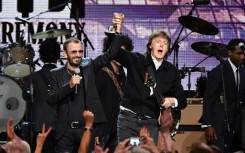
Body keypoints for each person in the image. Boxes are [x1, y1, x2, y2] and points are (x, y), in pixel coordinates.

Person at [47, 13, 124, 153]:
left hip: (86, 129)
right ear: (65, 54)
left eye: (80, 51)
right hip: (65, 132)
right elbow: (51, 99)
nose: (77, 55)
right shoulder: (56, 74)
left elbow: (110, 54)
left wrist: (118, 29)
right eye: (73, 52)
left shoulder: (88, 66)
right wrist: (69, 85)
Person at [114, 30, 187, 144]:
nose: (162, 45)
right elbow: (116, 52)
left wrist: (172, 100)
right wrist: (117, 31)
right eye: (158, 41)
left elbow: (182, 101)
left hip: (150, 124)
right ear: (150, 46)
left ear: (167, 49)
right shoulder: (137, 60)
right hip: (128, 120)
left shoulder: (172, 71)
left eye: (165, 43)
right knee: (129, 151)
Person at [202, 39, 245, 152]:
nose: (243, 57)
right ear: (229, 53)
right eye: (239, 53)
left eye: (244, 53)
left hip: (236, 127)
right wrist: (207, 125)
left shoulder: (242, 71)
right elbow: (208, 99)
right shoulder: (218, 71)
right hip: (218, 127)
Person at [95, 33, 134, 152]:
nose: (122, 56)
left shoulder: (125, 77)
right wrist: (95, 131)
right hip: (103, 132)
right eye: (119, 52)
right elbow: (94, 104)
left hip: (120, 132)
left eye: (125, 53)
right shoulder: (101, 74)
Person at [22, 38, 61, 153]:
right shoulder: (63, 75)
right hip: (60, 127)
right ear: (58, 55)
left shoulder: (34, 77)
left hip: (41, 127)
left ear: (41, 56)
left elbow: (25, 95)